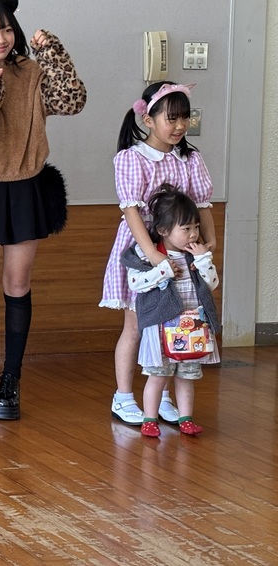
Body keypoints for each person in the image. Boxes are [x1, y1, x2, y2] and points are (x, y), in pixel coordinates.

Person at [0, 0, 86, 421]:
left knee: (17, 285)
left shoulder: (31, 70)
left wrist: (54, 53)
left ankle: (11, 379)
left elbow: (72, 101)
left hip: (25, 186)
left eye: (7, 29)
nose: (1, 38)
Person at [100, 81, 215, 426]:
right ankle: (123, 397)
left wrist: (209, 242)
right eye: (172, 118)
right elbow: (131, 209)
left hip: (180, 253)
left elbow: (202, 204)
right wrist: (152, 253)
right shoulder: (132, 158)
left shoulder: (190, 159)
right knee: (137, 324)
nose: (180, 126)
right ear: (148, 120)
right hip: (143, 250)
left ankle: (162, 396)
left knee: (174, 320)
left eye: (185, 118)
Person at [120, 183, 219, 437]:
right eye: (186, 229)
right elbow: (136, 284)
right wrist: (162, 270)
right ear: (163, 230)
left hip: (192, 328)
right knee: (158, 376)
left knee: (186, 376)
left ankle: (186, 417)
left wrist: (204, 260)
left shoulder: (194, 255)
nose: (194, 234)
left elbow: (211, 285)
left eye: (196, 227)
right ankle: (150, 419)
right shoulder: (147, 255)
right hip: (160, 329)